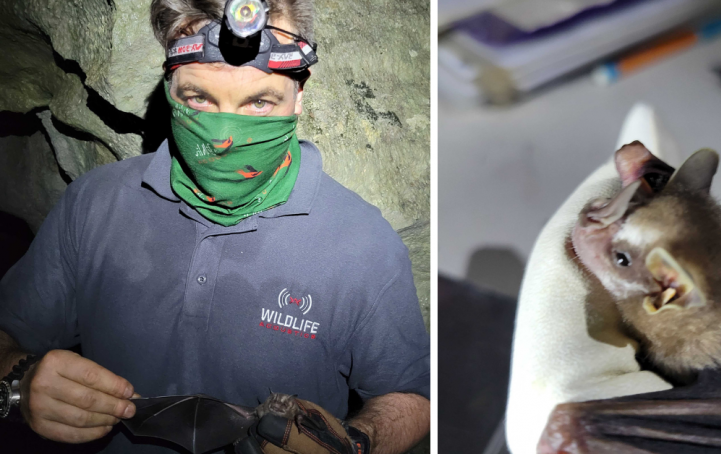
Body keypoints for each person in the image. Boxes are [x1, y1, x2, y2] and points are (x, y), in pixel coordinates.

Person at [0, 1, 430, 453]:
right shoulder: (94, 203)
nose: (224, 139)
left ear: (300, 93)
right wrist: (17, 381)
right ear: (169, 86)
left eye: (259, 102)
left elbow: (414, 395)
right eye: (199, 99)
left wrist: (359, 442)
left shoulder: (363, 242)